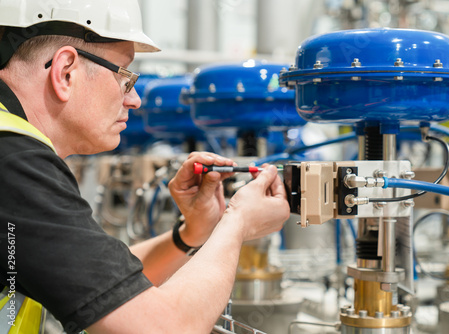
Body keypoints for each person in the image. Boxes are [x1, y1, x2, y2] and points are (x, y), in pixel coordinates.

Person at [0, 1, 290, 333]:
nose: (135, 99)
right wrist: (238, 221)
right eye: (125, 77)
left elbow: (105, 293)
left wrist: (190, 234)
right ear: (66, 70)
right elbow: (163, 328)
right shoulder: (13, 162)